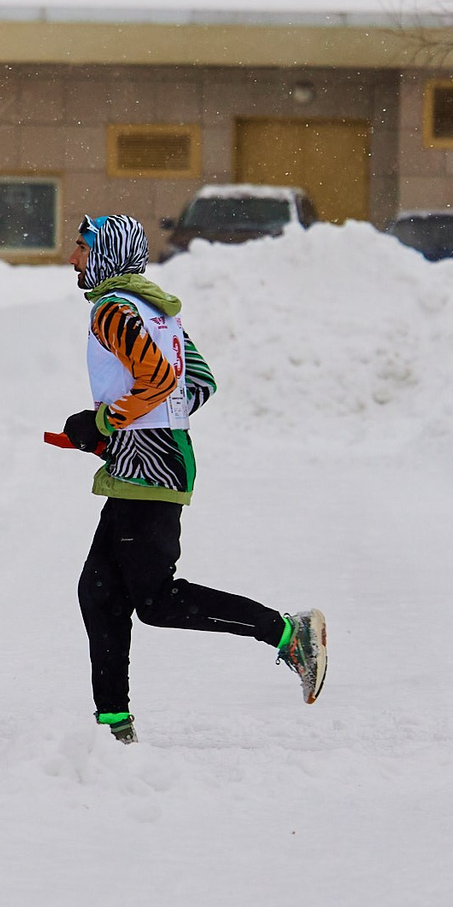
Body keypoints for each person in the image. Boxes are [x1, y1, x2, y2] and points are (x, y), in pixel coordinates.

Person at [55, 212, 326, 744]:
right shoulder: (155, 309)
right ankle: (114, 724)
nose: (73, 258)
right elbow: (196, 383)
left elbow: (157, 379)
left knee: (156, 601)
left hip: (148, 472)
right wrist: (136, 434)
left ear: (107, 252)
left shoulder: (112, 310)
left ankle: (289, 634)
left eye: (83, 247)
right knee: (100, 592)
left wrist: (107, 424)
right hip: (154, 461)